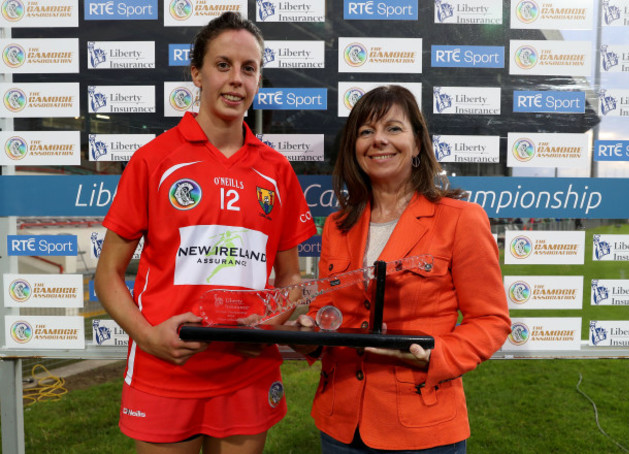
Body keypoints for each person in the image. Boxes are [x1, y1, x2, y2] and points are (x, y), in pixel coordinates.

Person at [94, 12, 316, 454]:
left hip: (246, 370)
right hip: (167, 367)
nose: (236, 80)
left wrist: (270, 327)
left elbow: (290, 279)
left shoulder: (277, 171)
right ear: (196, 72)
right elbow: (107, 275)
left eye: (249, 68)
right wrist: (147, 336)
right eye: (223, 65)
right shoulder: (154, 160)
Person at [293, 85, 511, 453]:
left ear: (418, 144)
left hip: (423, 426)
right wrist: (311, 330)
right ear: (354, 148)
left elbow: (491, 321)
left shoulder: (461, 219)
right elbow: (326, 311)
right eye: (365, 132)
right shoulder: (336, 225)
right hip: (340, 424)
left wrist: (436, 355)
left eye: (393, 129)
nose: (378, 140)